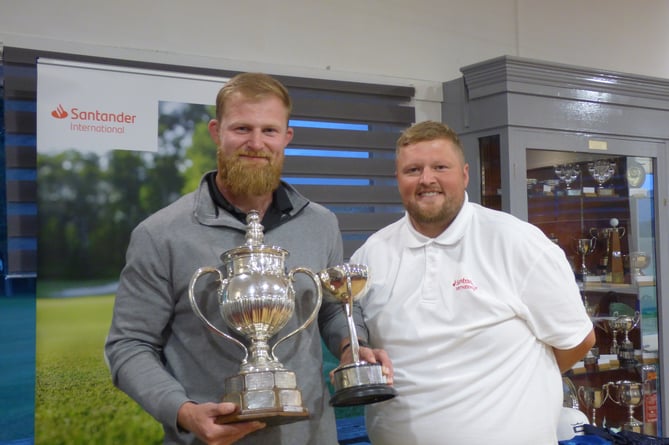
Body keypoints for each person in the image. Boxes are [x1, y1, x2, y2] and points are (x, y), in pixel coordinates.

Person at [104, 72, 390, 445]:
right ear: (215, 132)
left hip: (312, 436)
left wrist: (351, 345)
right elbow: (129, 345)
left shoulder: (320, 223)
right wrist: (183, 411)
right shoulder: (160, 235)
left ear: (286, 137)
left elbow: (332, 309)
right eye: (241, 128)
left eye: (269, 131)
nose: (256, 143)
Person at [350, 120, 596, 444]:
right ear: (397, 178)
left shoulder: (517, 242)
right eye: (413, 170)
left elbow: (577, 341)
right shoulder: (370, 255)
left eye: (440, 167)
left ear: (465, 174)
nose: (427, 179)